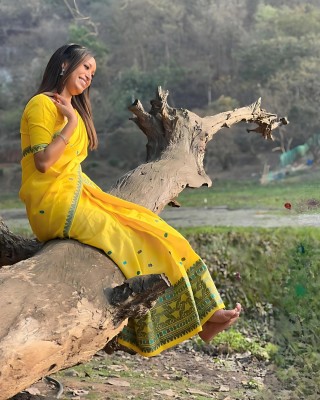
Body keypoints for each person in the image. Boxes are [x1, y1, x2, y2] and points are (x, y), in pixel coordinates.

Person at [19, 44, 241, 357]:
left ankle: (205, 316)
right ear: (64, 64)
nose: (89, 77)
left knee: (154, 228)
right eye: (85, 68)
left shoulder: (70, 107)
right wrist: (69, 123)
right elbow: (43, 163)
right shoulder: (43, 105)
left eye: (93, 73)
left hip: (78, 193)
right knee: (126, 240)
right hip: (52, 202)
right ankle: (140, 329)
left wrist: (72, 117)